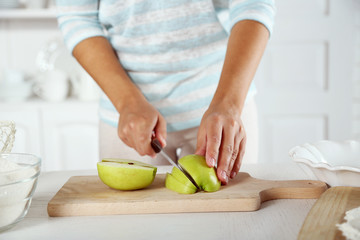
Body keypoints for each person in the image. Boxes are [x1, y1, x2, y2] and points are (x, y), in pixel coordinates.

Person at [55, 0, 275, 185]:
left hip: (224, 107)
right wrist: (127, 103)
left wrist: (228, 103)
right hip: (126, 116)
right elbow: (78, 18)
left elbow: (252, 5)